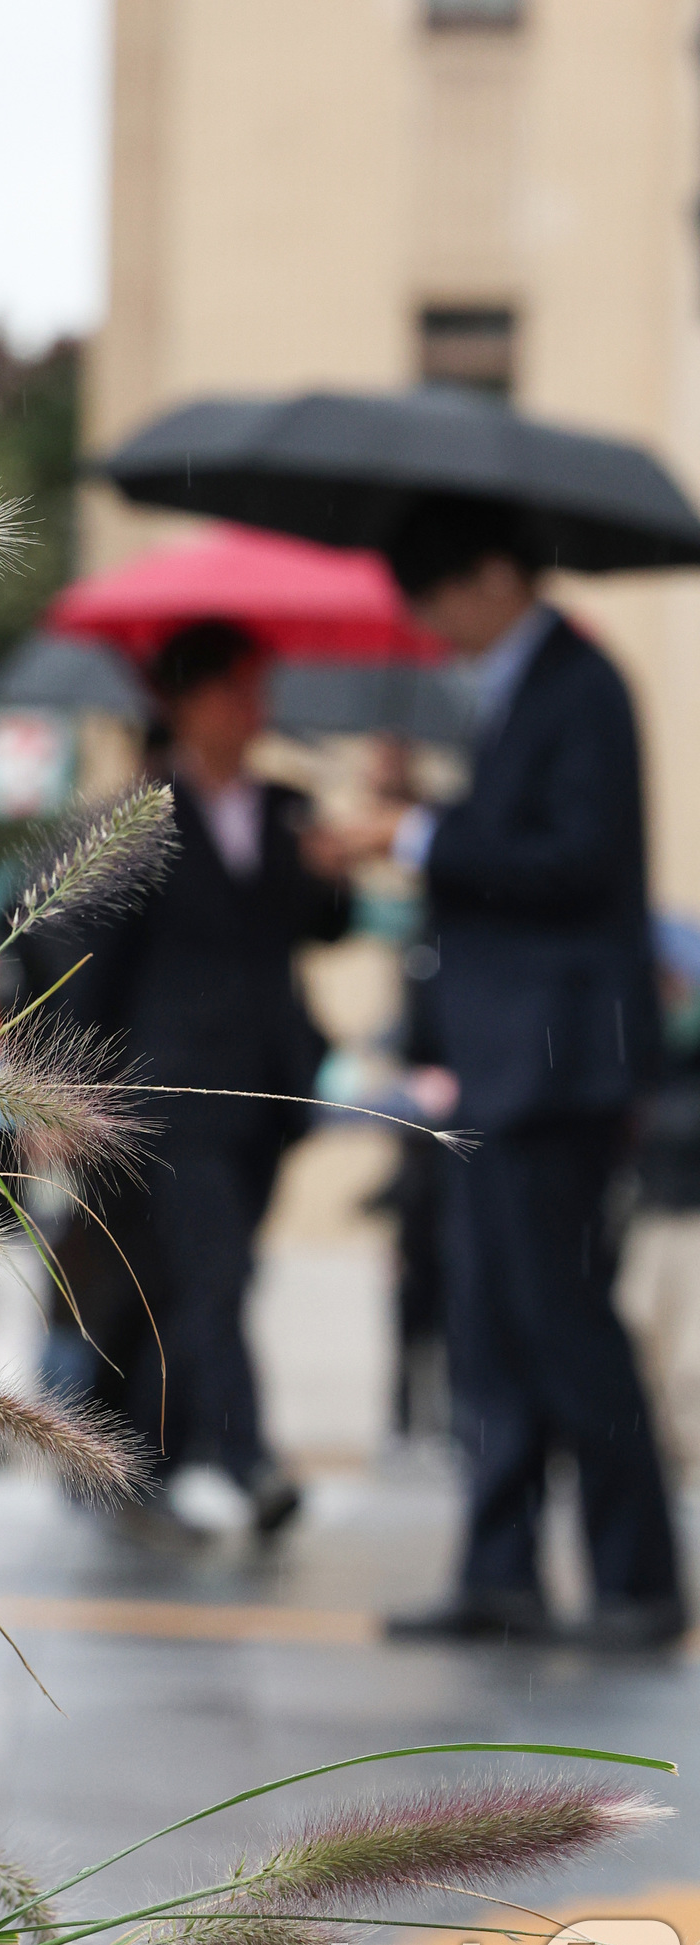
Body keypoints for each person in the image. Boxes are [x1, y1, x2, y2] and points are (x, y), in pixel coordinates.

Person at [323, 494, 685, 1648]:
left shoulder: (580, 684)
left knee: (560, 1316)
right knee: (485, 1322)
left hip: (557, 1063)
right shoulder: (515, 690)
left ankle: (636, 1578)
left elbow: (573, 863)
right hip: (496, 1062)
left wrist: (419, 835)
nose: (430, 627)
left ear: (490, 575)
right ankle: (501, 1566)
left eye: (433, 597)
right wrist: (426, 811)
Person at [59, 619, 348, 1537]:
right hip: (174, 1087)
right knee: (214, 1278)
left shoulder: (287, 811)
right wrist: (74, 1087)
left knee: (198, 1283)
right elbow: (91, 963)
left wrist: (339, 861)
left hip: (271, 1084)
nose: (251, 710)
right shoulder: (136, 819)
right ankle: (247, 1458)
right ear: (185, 702)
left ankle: (146, 1453)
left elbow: (329, 922)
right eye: (234, 690)